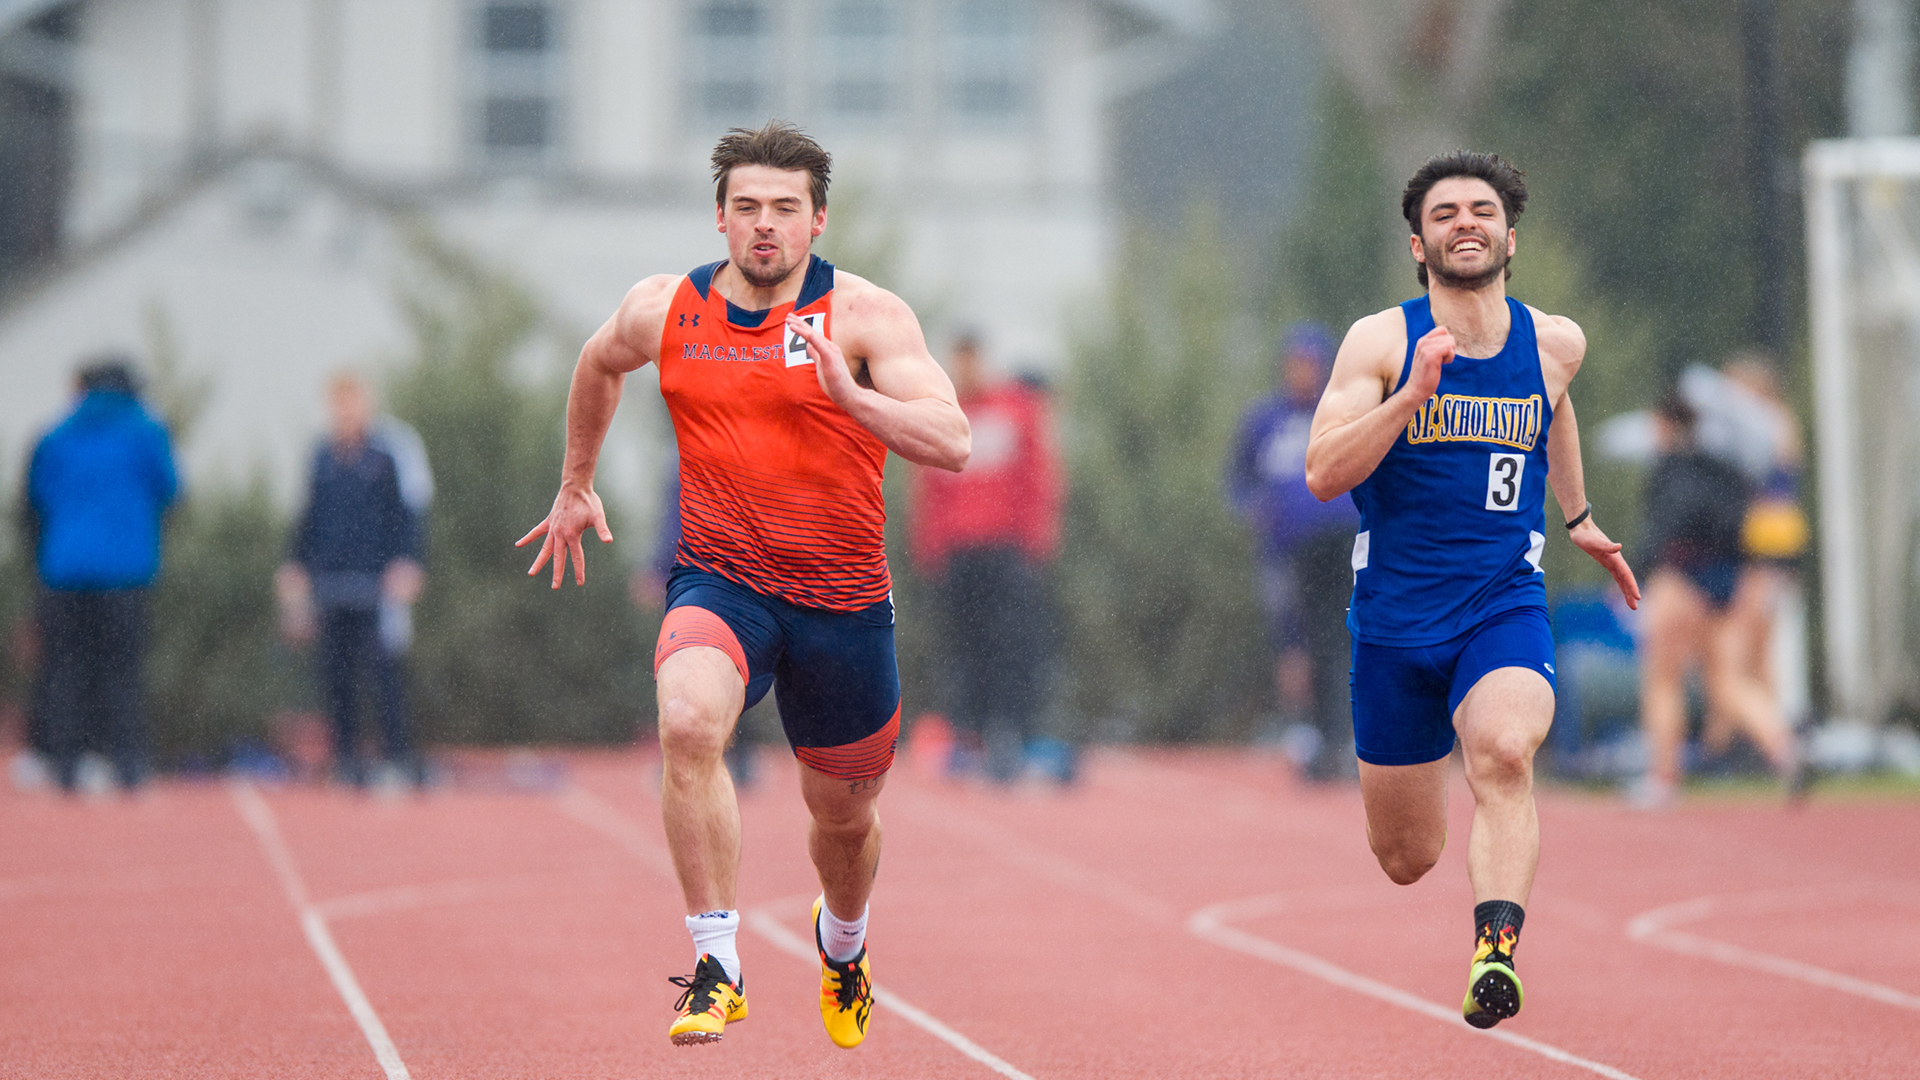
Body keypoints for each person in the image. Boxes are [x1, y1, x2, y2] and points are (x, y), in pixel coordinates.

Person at [517, 121, 969, 1049]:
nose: (767, 226)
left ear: (817, 221)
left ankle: (843, 944)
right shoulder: (665, 309)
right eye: (749, 208)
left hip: (843, 603)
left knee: (843, 819)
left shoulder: (867, 319)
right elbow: (598, 363)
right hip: (721, 582)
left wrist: (856, 399)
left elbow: (952, 442)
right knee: (686, 724)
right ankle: (716, 966)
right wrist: (574, 482)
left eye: (786, 209)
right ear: (720, 219)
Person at [1305, 152, 1638, 1030]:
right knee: (1407, 856)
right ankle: (1439, 823)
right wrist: (1410, 395)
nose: (1465, 222)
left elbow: (1552, 406)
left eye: (1480, 210)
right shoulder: (1379, 342)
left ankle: (1497, 949)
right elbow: (1320, 473)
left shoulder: (1554, 341)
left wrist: (1578, 517)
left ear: (1508, 236)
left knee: (1502, 752)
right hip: (1393, 625)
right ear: (1419, 243)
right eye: (1444, 213)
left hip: (1501, 602)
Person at [909, 333, 1064, 783]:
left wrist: (1035, 543)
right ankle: (968, 737)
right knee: (962, 648)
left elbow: (1039, 476)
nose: (967, 369)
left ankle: (1010, 735)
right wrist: (931, 550)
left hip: (1006, 551)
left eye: (972, 359)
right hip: (959, 553)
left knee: (1011, 646)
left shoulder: (1015, 408)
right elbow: (928, 491)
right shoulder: (942, 413)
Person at [1630, 390, 1798, 806]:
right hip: (1725, 583)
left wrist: (1634, 571)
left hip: (1680, 579)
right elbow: (1745, 530)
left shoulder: (1671, 468)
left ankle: (1664, 776)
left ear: (1667, 424)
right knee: (1725, 682)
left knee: (1663, 679)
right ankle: (1786, 748)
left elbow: (1662, 529)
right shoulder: (1728, 470)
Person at [24, 357, 179, 794]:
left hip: (64, 567)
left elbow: (38, 494)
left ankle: (66, 764)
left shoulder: (56, 433)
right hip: (125, 570)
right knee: (122, 670)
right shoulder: (146, 431)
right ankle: (127, 764)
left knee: (66, 669)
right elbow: (169, 488)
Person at [277, 373, 426, 789]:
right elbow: (306, 516)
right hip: (330, 582)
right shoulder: (321, 456)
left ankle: (396, 758)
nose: (346, 413)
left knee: (384, 674)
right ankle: (345, 760)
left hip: (376, 584)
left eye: (353, 403)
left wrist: (408, 562)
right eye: (338, 405)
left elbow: (407, 514)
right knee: (335, 675)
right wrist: (294, 565)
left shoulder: (386, 456)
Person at [1226, 322, 1361, 780]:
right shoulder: (1265, 419)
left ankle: (1340, 735)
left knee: (1340, 638)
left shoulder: (1343, 411)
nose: (1300, 372)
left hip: (1340, 543)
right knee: (1293, 639)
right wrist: (1252, 509)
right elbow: (1237, 479)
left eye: (1308, 363)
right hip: (1286, 549)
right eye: (1294, 364)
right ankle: (1303, 730)